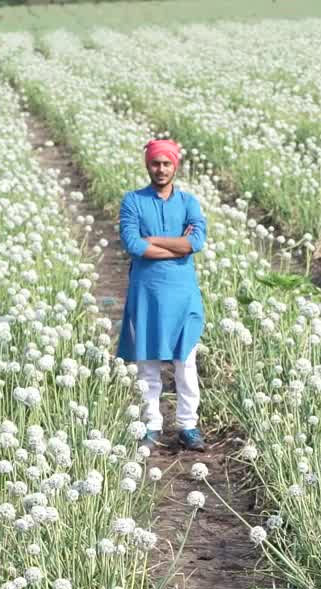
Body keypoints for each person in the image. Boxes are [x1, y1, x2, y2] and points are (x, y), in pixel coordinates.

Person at [117, 138, 208, 451]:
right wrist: (176, 247)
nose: (161, 169)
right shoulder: (133, 201)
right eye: (156, 163)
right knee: (148, 363)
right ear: (148, 165)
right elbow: (133, 245)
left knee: (185, 363)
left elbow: (195, 242)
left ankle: (188, 425)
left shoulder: (188, 202)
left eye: (166, 163)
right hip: (147, 292)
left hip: (183, 294)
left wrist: (154, 240)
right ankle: (151, 423)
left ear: (175, 166)